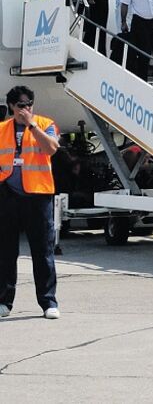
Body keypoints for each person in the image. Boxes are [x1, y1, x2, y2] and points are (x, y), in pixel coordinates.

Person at [0, 86, 62, 320]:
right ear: (11, 107)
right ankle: (4, 301)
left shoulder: (46, 124)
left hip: (37, 195)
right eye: (20, 106)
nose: (25, 109)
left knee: (42, 250)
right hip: (8, 195)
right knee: (6, 251)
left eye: (29, 105)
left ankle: (48, 302)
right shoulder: (2, 129)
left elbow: (51, 148)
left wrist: (31, 125)